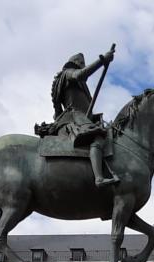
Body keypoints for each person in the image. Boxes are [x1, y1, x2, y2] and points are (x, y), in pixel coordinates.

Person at [40, 47, 119, 187]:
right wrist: (102, 61)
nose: (83, 66)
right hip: (74, 117)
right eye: (82, 63)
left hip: (82, 117)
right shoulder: (68, 73)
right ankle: (99, 178)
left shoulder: (75, 82)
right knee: (98, 138)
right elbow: (80, 75)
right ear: (76, 63)